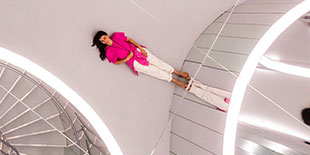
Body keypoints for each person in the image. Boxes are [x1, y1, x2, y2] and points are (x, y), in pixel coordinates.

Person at [92, 30, 231, 111]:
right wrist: (127, 58)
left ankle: (179, 73)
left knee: (158, 63)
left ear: (106, 36)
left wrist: (140, 48)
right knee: (156, 72)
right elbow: (116, 62)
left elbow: (129, 39)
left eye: (104, 38)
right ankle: (177, 81)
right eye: (102, 41)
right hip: (134, 62)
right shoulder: (109, 51)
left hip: (138, 51)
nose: (104, 40)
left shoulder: (116, 36)